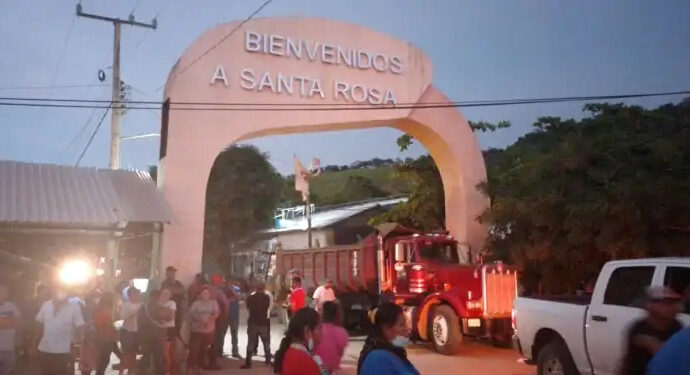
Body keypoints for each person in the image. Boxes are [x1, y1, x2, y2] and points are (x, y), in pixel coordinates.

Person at [620, 286, 683, 375]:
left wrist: (653, 343)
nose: (674, 307)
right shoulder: (638, 328)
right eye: (667, 303)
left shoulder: (677, 327)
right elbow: (628, 361)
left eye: (673, 303)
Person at [35, 285, 86, 375]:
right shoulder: (46, 305)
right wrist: (34, 342)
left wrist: (79, 345)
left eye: (63, 290)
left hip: (64, 352)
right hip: (45, 350)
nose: (59, 292)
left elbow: (80, 327)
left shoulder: (74, 307)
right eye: (57, 289)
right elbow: (39, 323)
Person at [357, 302, 419, 375]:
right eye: (402, 325)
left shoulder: (393, 352)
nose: (408, 328)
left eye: (407, 323)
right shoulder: (378, 359)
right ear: (385, 329)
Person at [273, 307, 326, 375]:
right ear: (307, 331)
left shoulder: (290, 352)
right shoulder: (305, 361)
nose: (322, 333)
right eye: (319, 328)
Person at [188, 287, 219, 375]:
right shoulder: (196, 303)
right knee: (194, 350)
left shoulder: (213, 303)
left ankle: (199, 368)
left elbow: (216, 313)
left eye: (207, 293)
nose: (205, 295)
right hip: (196, 330)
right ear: (200, 295)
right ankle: (190, 368)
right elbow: (191, 313)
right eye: (203, 293)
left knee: (203, 350)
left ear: (210, 295)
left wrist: (210, 319)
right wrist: (199, 319)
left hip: (208, 330)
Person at [240, 282, 271, 369]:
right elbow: (267, 307)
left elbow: (248, 308)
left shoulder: (251, 298)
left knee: (251, 342)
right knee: (266, 342)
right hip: (263, 322)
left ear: (256, 288)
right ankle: (268, 360)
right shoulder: (266, 298)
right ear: (263, 288)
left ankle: (248, 362)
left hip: (253, 322)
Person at [138, 290, 167, 375]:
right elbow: (167, 318)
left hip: (146, 336)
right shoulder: (160, 307)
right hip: (157, 336)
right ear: (157, 297)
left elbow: (140, 321)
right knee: (159, 358)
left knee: (146, 357)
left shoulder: (143, 307)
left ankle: (142, 372)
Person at [314, 301, 348, 374]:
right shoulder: (342, 333)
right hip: (330, 370)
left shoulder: (316, 330)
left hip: (315, 368)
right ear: (337, 315)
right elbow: (339, 354)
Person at [92, 293, 118, 375]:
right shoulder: (106, 310)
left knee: (101, 362)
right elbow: (105, 324)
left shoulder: (98, 309)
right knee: (103, 361)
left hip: (101, 338)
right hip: (105, 338)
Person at [118, 287, 142, 375]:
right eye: (136, 293)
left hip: (137, 332)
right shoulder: (126, 304)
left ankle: (130, 372)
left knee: (133, 354)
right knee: (127, 354)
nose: (138, 295)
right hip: (128, 332)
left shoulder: (141, 304)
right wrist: (135, 310)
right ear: (131, 295)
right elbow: (122, 317)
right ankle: (121, 372)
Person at [0, 284, 21, 375]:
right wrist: (7, 320)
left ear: (7, 294)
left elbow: (17, 322)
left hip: (9, 349)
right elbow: (10, 322)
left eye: (3, 292)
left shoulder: (12, 306)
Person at [161, 266, 186, 338]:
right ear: (167, 273)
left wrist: (175, 291)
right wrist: (177, 291)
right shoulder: (164, 283)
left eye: (174, 272)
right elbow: (167, 291)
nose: (173, 274)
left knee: (178, 327)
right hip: (169, 309)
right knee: (169, 330)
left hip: (178, 308)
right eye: (171, 272)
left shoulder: (178, 283)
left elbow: (183, 291)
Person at [210, 275, 229, 365]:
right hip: (218, 316)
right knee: (218, 335)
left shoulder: (205, 289)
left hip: (206, 316)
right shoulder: (218, 291)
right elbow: (225, 303)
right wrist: (225, 314)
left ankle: (210, 354)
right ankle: (217, 353)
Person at [225, 278, 242, 358]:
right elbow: (223, 300)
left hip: (234, 314)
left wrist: (232, 291)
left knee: (234, 334)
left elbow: (239, 298)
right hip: (224, 315)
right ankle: (219, 351)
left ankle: (235, 351)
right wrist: (231, 299)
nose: (229, 283)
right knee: (222, 334)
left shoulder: (236, 289)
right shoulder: (223, 290)